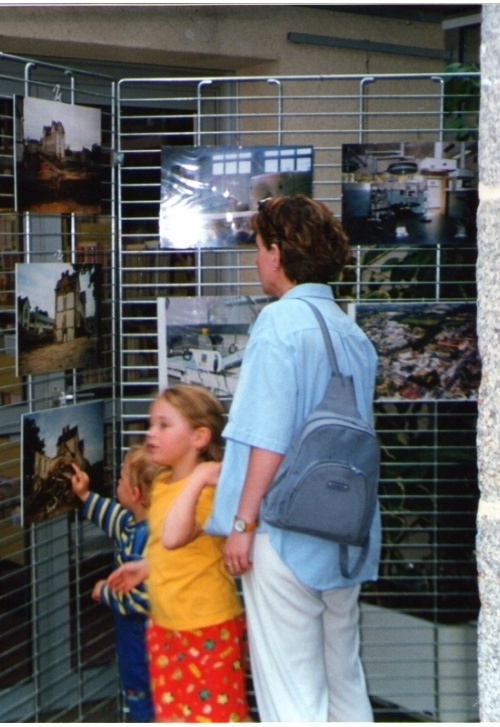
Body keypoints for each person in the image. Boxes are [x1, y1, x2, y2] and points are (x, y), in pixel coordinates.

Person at [207, 194, 380, 721]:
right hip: (345, 532)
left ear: (277, 254)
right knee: (344, 684)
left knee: (292, 699)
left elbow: (267, 436)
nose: (256, 260)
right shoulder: (352, 333)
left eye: (259, 249)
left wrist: (242, 521)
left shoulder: (279, 324)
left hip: (282, 531)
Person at [141, 384, 250, 723]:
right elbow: (167, 546)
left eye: (163, 424)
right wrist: (144, 568)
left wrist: (200, 476)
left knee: (217, 715)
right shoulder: (162, 483)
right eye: (150, 423)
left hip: (207, 627)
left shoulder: (207, 494)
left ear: (199, 437)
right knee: (174, 715)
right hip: (166, 626)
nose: (150, 433)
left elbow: (175, 536)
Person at [69, 444, 160, 723]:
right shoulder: (131, 522)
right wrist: (84, 495)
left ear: (135, 494)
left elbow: (144, 599)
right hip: (132, 636)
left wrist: (105, 593)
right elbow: (110, 514)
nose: (116, 483)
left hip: (143, 638)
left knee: (143, 693)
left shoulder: (150, 538)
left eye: (120, 479)